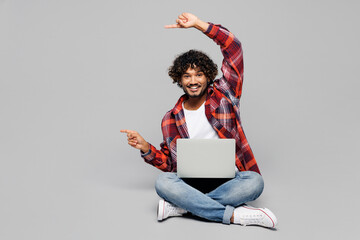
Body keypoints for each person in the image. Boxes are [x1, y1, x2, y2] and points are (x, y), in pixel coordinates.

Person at [121, 12, 277, 228]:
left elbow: (234, 48)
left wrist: (198, 25)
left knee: (255, 182)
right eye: (187, 76)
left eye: (199, 74)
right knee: (163, 182)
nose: (193, 81)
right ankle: (235, 216)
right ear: (179, 80)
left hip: (229, 180)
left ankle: (184, 207)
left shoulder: (225, 95)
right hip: (191, 184)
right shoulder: (170, 119)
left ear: (208, 76)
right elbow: (169, 165)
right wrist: (146, 147)